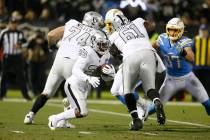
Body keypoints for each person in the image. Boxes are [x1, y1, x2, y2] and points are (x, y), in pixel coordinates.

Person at [23, 11, 104, 126]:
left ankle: (30, 115)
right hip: (73, 64)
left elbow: (51, 35)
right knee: (80, 93)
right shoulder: (96, 33)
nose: (100, 25)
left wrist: (51, 46)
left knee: (46, 92)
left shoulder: (72, 24)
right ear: (94, 22)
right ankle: (63, 120)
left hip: (59, 61)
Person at [108, 13, 166, 131]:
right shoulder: (138, 20)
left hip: (131, 56)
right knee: (150, 88)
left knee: (127, 91)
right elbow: (150, 26)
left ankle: (136, 120)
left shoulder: (113, 35)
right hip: (149, 52)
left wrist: (116, 54)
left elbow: (115, 53)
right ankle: (157, 101)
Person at [48, 30, 115, 130]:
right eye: (101, 44)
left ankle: (62, 121)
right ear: (94, 43)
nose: (104, 47)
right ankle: (55, 118)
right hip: (74, 84)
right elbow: (75, 70)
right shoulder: (87, 51)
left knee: (78, 108)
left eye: (106, 44)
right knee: (82, 111)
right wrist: (88, 78)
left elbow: (99, 73)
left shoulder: (106, 55)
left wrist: (110, 73)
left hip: (85, 85)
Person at [147, 18, 210, 117]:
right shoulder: (162, 39)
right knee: (156, 106)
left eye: (175, 30)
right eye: (170, 30)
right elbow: (150, 47)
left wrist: (183, 51)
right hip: (170, 79)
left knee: (207, 104)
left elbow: (192, 57)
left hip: (188, 78)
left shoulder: (185, 41)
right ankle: (140, 118)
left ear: (181, 30)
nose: (172, 33)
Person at [0, 18, 31, 101]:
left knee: (21, 76)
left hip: (17, 57)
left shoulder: (20, 33)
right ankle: (2, 95)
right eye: (12, 23)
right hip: (7, 57)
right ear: (9, 23)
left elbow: (26, 43)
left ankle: (26, 96)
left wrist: (21, 46)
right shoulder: (4, 32)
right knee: (4, 76)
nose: (14, 25)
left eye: (15, 23)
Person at [192, 24, 210, 98]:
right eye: (202, 31)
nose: (204, 33)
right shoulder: (195, 40)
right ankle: (194, 99)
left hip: (207, 68)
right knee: (196, 84)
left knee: (207, 84)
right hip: (197, 67)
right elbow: (191, 52)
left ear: (208, 32)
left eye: (205, 31)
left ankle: (207, 98)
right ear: (199, 31)